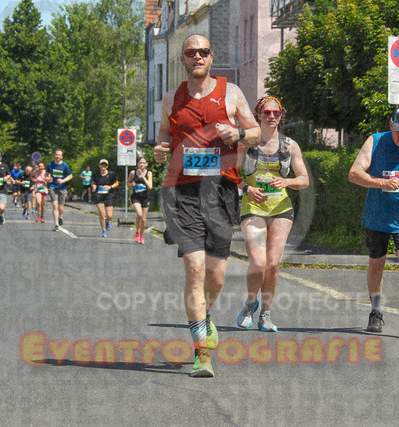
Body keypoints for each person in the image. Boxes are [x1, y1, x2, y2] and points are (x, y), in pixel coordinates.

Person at [154, 34, 260, 377]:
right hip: (181, 192)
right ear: (183, 59)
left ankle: (206, 312)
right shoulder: (171, 98)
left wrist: (238, 135)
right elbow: (164, 135)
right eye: (191, 52)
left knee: (215, 275)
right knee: (195, 269)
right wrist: (160, 148)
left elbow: (256, 132)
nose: (197, 56)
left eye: (203, 51)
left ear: (212, 57)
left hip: (220, 191)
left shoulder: (232, 93)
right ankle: (202, 352)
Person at [348, 105, 399, 340]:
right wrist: (381, 183)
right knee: (377, 264)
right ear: (391, 125)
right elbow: (354, 174)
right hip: (378, 215)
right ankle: (376, 312)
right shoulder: (375, 141)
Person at [235, 96, 309, 332]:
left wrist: (286, 182)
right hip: (253, 206)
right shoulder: (246, 143)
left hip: (280, 209)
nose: (271, 117)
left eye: (276, 113)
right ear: (258, 115)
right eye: (266, 112)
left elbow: (304, 179)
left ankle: (265, 314)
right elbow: (231, 175)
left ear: (281, 115)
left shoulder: (289, 145)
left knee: (273, 265)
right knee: (258, 262)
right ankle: (250, 303)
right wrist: (247, 188)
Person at [45, 148, 73, 231]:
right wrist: (47, 178)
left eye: (59, 155)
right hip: (53, 186)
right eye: (56, 155)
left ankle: (60, 216)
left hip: (62, 188)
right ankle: (56, 224)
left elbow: (70, 176)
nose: (57, 156)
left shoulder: (65, 165)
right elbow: (46, 174)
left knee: (61, 207)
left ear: (61, 156)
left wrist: (63, 180)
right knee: (54, 205)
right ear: (54, 155)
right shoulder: (50, 164)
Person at [128, 156, 153, 244]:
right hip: (136, 197)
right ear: (138, 164)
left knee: (143, 219)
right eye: (140, 163)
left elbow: (150, 186)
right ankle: (137, 233)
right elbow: (128, 183)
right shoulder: (133, 172)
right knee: (139, 214)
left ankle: (141, 236)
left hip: (146, 197)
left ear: (146, 164)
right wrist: (131, 184)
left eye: (143, 163)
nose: (142, 164)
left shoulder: (149, 173)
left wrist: (143, 177)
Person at [91, 159, 119, 238]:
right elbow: (93, 182)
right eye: (102, 164)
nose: (103, 166)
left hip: (109, 195)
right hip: (99, 195)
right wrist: (94, 187)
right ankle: (103, 231)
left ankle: (107, 221)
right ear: (99, 165)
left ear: (107, 166)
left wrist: (110, 187)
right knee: (102, 214)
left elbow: (117, 183)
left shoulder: (111, 174)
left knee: (109, 215)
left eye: (105, 165)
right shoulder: (96, 174)